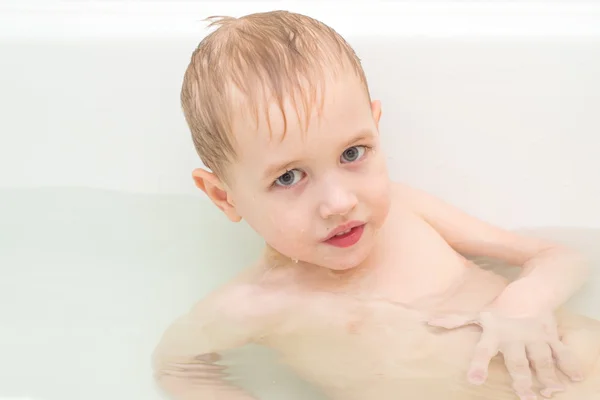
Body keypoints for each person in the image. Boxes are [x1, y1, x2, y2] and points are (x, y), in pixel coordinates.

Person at [151, 10, 599, 400]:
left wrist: (522, 304)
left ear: (375, 128)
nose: (339, 203)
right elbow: (176, 365)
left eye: (352, 154)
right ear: (223, 197)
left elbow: (558, 256)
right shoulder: (255, 305)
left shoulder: (406, 213)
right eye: (288, 177)